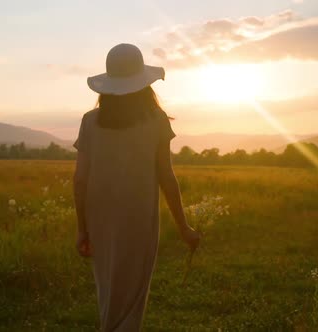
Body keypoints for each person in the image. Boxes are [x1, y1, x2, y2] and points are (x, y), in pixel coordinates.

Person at [73, 43, 200, 331]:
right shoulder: (155, 120)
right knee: (133, 292)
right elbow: (166, 177)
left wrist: (82, 228)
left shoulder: (90, 122)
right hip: (140, 218)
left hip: (100, 217)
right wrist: (184, 228)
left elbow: (80, 180)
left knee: (108, 288)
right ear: (144, 83)